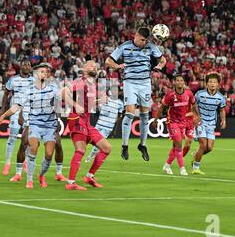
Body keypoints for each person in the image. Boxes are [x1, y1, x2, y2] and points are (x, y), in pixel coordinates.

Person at [105, 25, 166, 162]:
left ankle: (142, 145)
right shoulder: (124, 46)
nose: (144, 43)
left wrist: (159, 67)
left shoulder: (150, 47)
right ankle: (125, 145)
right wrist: (117, 66)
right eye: (142, 40)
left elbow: (163, 60)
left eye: (146, 40)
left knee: (145, 115)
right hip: (130, 83)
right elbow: (108, 61)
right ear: (136, 36)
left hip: (145, 83)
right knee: (130, 114)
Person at [0, 63, 59, 189]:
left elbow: (63, 97)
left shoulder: (53, 88)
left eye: (46, 72)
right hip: (32, 121)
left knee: (49, 153)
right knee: (28, 144)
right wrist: (3, 115)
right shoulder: (27, 89)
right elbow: (16, 105)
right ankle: (26, 177)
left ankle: (41, 174)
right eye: (42, 72)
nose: (44, 74)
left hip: (49, 124)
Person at [62, 61, 112, 190]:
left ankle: (89, 176)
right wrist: (75, 105)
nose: (94, 67)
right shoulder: (80, 82)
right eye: (90, 65)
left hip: (87, 123)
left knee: (106, 148)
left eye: (95, 66)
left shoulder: (93, 86)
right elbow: (62, 93)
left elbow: (88, 105)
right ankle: (71, 183)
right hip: (77, 119)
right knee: (81, 150)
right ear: (84, 69)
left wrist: (100, 101)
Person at [152, 74, 199, 176]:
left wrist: (198, 116)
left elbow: (194, 105)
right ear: (174, 82)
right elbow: (161, 108)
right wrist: (156, 120)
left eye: (181, 80)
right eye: (177, 80)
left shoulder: (189, 93)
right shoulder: (170, 95)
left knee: (175, 146)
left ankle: (167, 165)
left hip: (183, 122)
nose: (179, 82)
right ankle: (182, 169)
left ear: (184, 82)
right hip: (172, 122)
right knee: (178, 144)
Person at [0, 59, 34, 177]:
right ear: (20, 67)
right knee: (12, 137)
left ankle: (25, 162)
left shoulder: (34, 80)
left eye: (29, 65)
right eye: (25, 64)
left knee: (28, 140)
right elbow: (6, 94)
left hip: (29, 112)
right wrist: (3, 110)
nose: (27, 66)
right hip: (15, 111)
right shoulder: (13, 80)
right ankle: (7, 163)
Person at [191, 72, 227, 175]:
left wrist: (223, 120)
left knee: (209, 148)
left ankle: (196, 155)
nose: (212, 84)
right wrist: (196, 117)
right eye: (210, 82)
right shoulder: (200, 94)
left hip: (211, 124)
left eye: (214, 82)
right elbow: (193, 105)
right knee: (203, 145)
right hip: (200, 122)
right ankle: (195, 168)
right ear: (206, 83)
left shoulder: (220, 97)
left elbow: (222, 110)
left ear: (218, 84)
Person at [85, 89, 123, 163]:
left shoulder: (120, 103)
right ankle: (81, 152)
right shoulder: (105, 99)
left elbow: (119, 115)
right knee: (89, 139)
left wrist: (115, 124)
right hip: (99, 124)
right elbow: (97, 109)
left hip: (108, 127)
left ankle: (90, 156)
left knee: (98, 143)